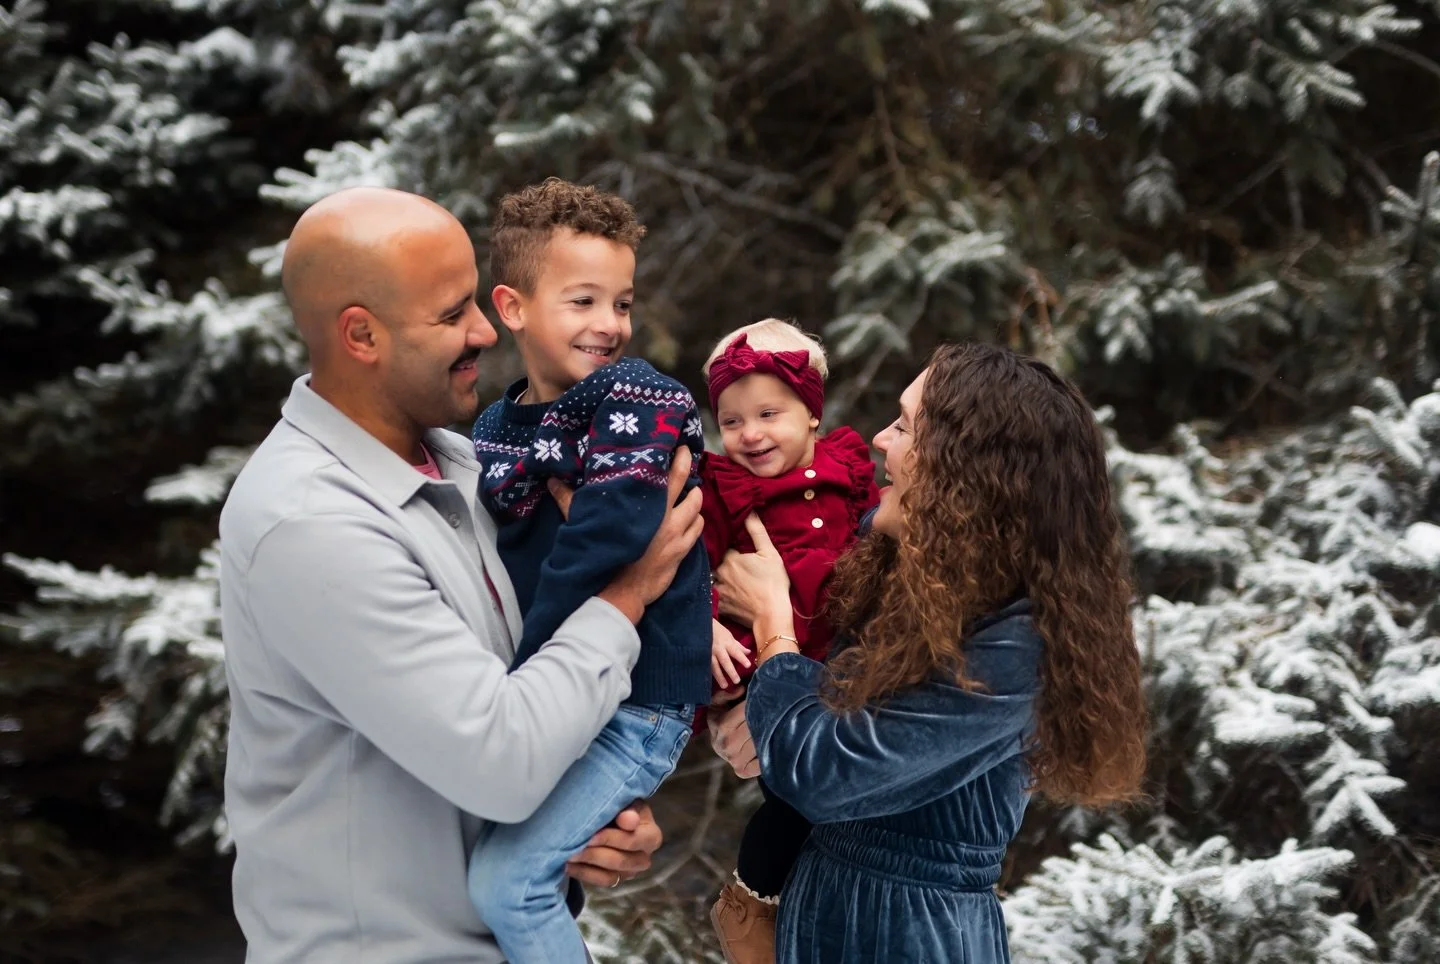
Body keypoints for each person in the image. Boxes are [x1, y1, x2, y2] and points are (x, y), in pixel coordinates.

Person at [219, 186, 701, 963]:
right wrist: (628, 593)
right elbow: (502, 762)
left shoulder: (474, 470)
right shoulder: (310, 521)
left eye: (475, 302)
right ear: (361, 335)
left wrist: (581, 824)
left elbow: (524, 708)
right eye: (451, 316)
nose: (484, 329)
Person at [707, 343, 1148, 963]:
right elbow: (814, 728)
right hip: (822, 904)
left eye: (906, 425)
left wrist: (774, 623)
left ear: (967, 468)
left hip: (908, 934)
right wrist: (759, 721)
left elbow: (827, 774)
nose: (880, 440)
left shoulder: (1019, 642)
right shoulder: (907, 572)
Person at [465, 178, 713, 964]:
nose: (610, 325)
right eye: (583, 302)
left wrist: (523, 674)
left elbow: (614, 535)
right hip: (562, 695)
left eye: (623, 303)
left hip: (637, 706)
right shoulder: (495, 428)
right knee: (525, 869)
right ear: (512, 307)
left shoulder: (636, 397)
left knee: (510, 884)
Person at [697, 320, 879, 964]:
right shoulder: (724, 489)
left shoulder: (851, 473)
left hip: (838, 667)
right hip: (761, 669)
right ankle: (751, 903)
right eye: (733, 419)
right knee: (794, 796)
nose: (750, 434)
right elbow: (686, 565)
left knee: (832, 799)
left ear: (812, 416)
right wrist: (707, 621)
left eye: (769, 414)